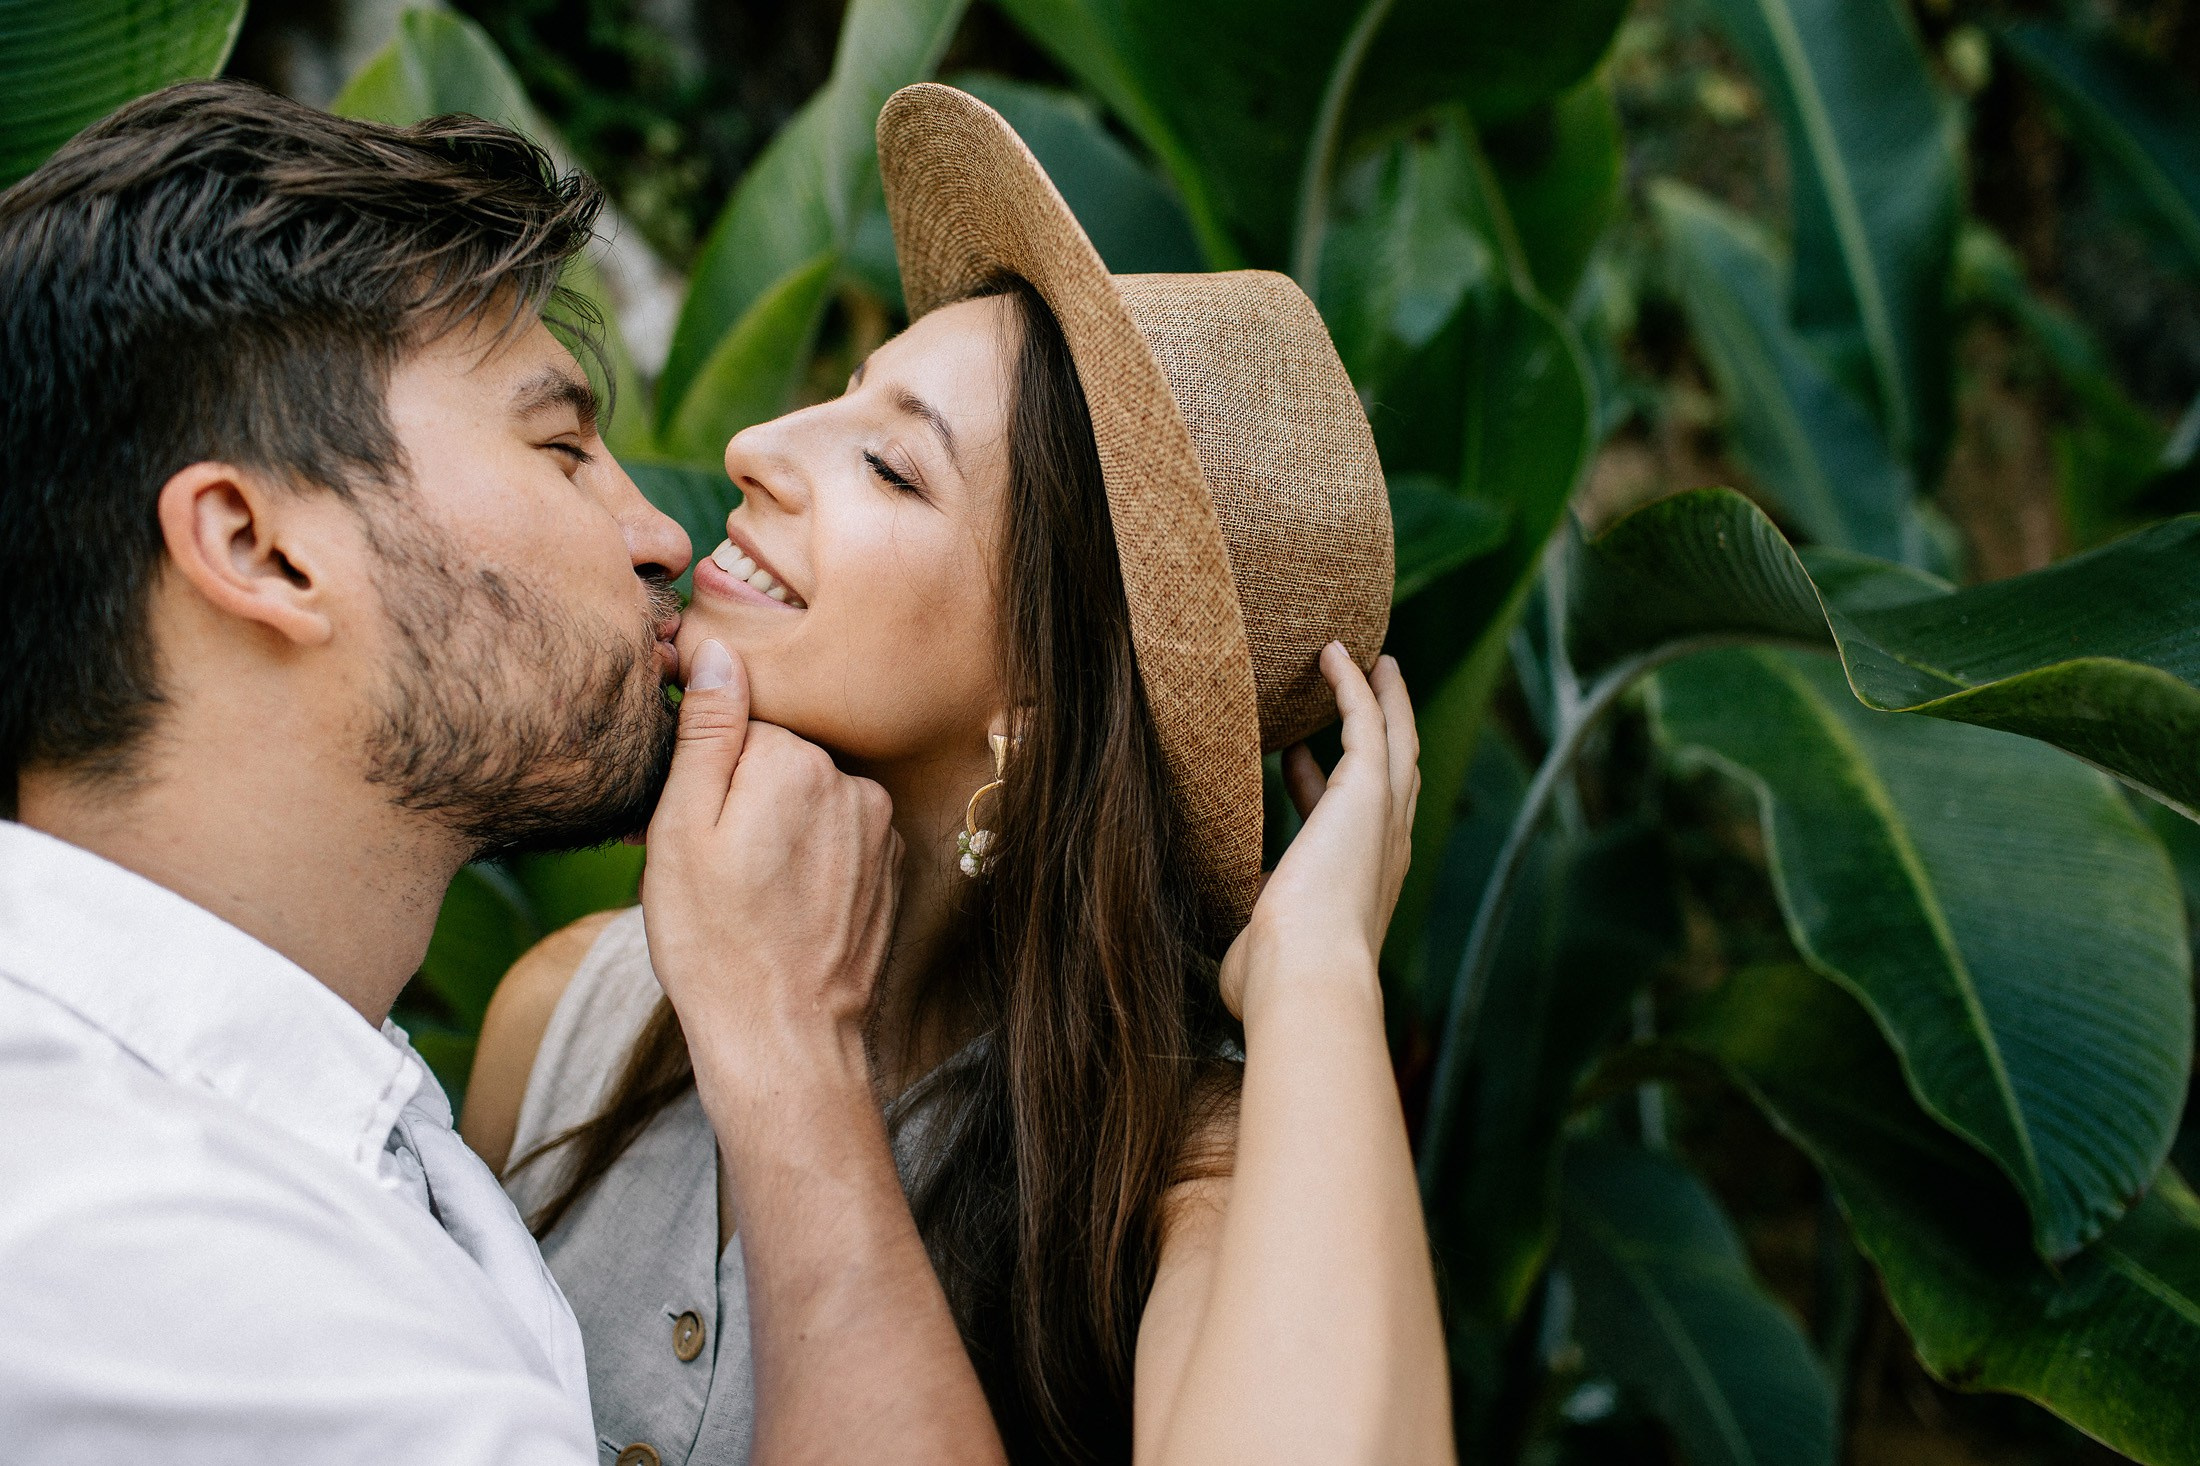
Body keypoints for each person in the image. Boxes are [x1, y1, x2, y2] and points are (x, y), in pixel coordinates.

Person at [0, 80, 1000, 1465]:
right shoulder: (184, 1276)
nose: (661, 530)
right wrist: (788, 1041)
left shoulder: (285, 1121)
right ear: (259, 547)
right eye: (562, 449)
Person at [465, 84, 1452, 1466]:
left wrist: (1319, 966)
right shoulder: (566, 1013)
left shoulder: (1178, 1173)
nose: (752, 452)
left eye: (890, 464)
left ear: (1040, 699)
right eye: (838, 398)